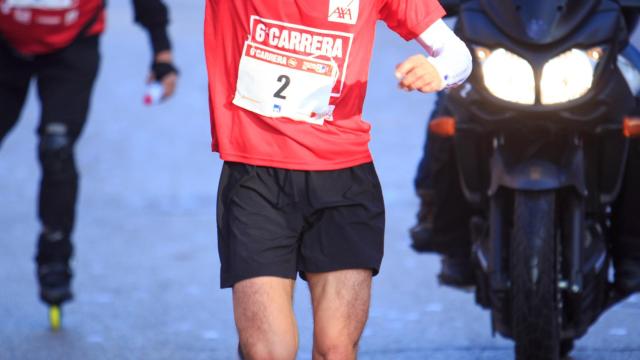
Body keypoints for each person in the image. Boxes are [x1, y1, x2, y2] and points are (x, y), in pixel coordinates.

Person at [204, 1, 472, 358]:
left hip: (344, 182)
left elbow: (456, 54)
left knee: (337, 349)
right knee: (266, 352)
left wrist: (439, 71)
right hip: (256, 179)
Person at [410, 11, 640, 293]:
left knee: (634, 101)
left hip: (586, 43)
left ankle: (633, 250)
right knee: (449, 111)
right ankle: (442, 226)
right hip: (497, 44)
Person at [0, 0, 179, 307]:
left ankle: (54, 257)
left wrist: (161, 51)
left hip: (72, 43)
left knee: (57, 147)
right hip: (5, 43)